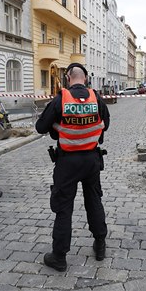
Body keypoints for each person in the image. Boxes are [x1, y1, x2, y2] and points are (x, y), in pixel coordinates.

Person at [35, 62, 110, 272]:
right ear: (85, 78)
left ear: (68, 78)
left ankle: (59, 256)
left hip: (67, 161)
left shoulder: (61, 99)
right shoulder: (97, 99)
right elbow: (106, 124)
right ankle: (100, 245)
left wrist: (59, 127)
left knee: (63, 207)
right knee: (94, 200)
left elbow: (40, 127)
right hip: (92, 160)